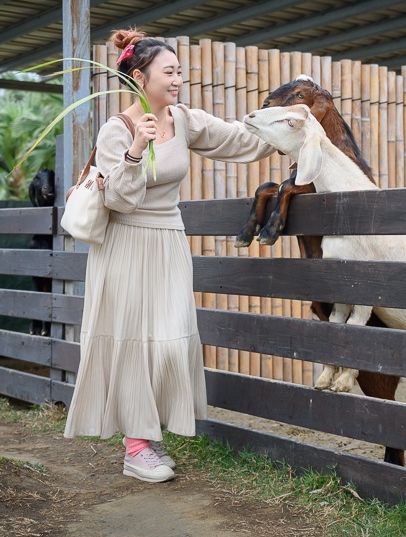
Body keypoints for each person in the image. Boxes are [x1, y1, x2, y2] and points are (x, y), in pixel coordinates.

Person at [63, 29, 277, 483]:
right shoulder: (115, 129)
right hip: (125, 246)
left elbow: (240, 140)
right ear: (139, 76)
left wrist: (290, 127)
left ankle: (149, 433)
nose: (178, 79)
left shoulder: (184, 119)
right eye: (169, 71)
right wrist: (137, 148)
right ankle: (137, 445)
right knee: (133, 341)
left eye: (180, 71)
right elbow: (119, 199)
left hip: (169, 241)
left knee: (170, 337)